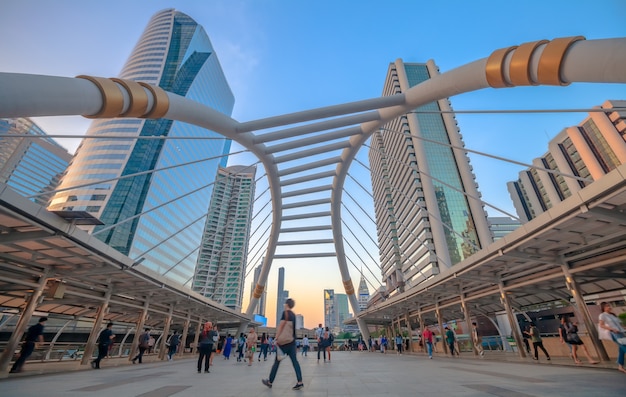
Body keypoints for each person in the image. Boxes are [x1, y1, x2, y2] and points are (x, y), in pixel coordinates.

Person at [262, 298, 304, 390]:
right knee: (295, 362)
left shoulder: (285, 313)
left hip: (283, 344)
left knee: (277, 362)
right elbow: (293, 330)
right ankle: (300, 381)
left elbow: (281, 327)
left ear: (287, 304)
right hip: (292, 342)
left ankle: (270, 382)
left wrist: (276, 338)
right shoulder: (293, 315)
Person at [598, 301, 626, 374]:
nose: (609, 307)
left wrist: (624, 328)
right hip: (614, 334)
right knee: (624, 347)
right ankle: (620, 366)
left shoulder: (613, 315)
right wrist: (612, 329)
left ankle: (620, 366)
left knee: (621, 350)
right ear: (603, 307)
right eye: (607, 306)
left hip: (621, 332)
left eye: (609, 306)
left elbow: (620, 324)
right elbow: (601, 325)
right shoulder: (602, 315)